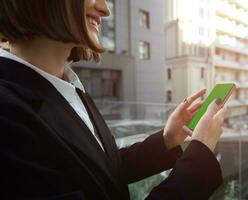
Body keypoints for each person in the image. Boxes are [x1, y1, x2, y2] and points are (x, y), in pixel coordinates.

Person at [0, 0, 227, 199]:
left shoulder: (69, 88)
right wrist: (199, 156)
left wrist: (167, 139)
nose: (104, 9)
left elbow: (102, 170)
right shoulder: (7, 114)